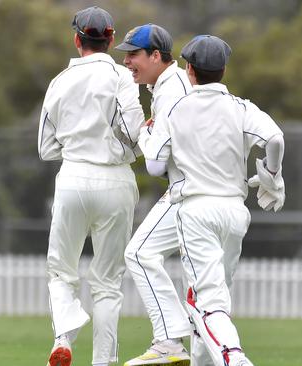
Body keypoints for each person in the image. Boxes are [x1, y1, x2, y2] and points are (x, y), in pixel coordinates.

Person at [140, 35, 285, 366]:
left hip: (196, 211)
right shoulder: (241, 107)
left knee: (206, 301)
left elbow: (155, 165)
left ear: (189, 69)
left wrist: (148, 137)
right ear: (222, 69)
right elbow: (275, 139)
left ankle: (234, 358)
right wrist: (272, 175)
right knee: (213, 298)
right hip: (235, 213)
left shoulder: (175, 108)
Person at [38, 6, 145, 366]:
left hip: (73, 177)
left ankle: (62, 339)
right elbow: (133, 135)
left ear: (76, 39)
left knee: (61, 272)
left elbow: (45, 147)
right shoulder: (121, 77)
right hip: (115, 180)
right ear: (111, 39)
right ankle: (104, 362)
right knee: (108, 283)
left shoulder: (59, 82)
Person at [114, 24, 192, 366]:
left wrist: (145, 136)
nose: (128, 61)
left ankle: (168, 341)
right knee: (204, 283)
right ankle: (199, 350)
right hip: (210, 192)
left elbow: (157, 165)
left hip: (189, 190)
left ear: (157, 56)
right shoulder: (169, 85)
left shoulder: (171, 90)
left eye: (134, 54)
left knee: (139, 253)